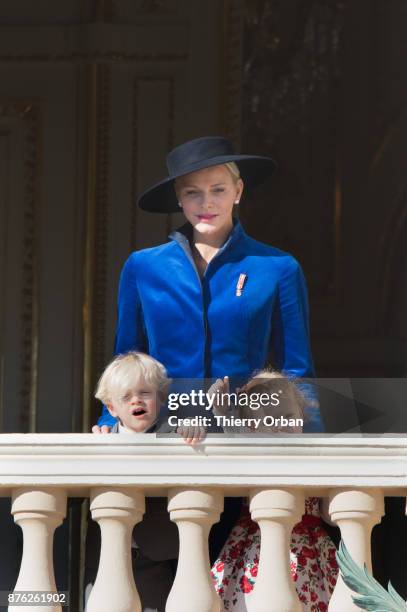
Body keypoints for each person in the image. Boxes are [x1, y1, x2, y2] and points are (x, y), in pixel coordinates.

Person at [92, 135, 321, 558]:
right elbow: (128, 356)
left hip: (244, 443)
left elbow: (297, 371)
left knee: (233, 577)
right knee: (159, 569)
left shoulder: (277, 268)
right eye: (193, 192)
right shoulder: (143, 266)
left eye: (218, 189)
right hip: (162, 438)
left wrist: (313, 451)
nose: (206, 202)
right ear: (179, 199)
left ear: (238, 191)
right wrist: (112, 415)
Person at [210, 371, 338, 612]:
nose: (281, 425)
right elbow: (235, 445)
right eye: (269, 418)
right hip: (255, 547)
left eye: (288, 416)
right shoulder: (252, 456)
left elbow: (328, 514)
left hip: (308, 551)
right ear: (251, 426)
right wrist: (222, 413)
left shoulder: (314, 460)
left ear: (301, 416)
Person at [85, 351, 203, 612]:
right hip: (106, 559)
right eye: (125, 396)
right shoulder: (103, 441)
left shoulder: (175, 434)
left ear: (161, 398)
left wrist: (191, 431)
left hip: (156, 559)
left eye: (145, 393)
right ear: (112, 408)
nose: (136, 400)